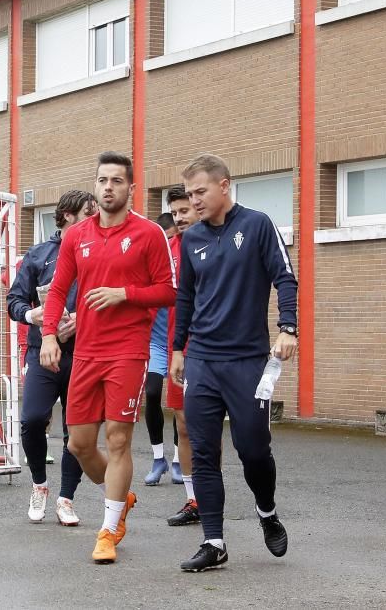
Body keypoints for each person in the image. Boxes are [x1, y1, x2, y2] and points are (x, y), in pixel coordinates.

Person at [39, 151, 175, 565]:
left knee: (117, 439)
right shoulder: (76, 236)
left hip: (128, 352)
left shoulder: (150, 234)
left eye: (117, 180)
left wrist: (126, 294)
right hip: (86, 353)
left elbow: (170, 291)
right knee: (79, 444)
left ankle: (108, 527)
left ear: (131, 188)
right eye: (103, 180)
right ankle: (121, 497)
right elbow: (58, 289)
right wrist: (48, 334)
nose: (109, 187)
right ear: (95, 186)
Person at [171, 154, 298, 572]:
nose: (194, 201)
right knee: (204, 452)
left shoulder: (257, 224)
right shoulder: (191, 239)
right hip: (202, 361)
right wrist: (177, 349)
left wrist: (288, 328)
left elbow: (285, 276)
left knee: (253, 451)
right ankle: (214, 542)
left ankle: (266, 511)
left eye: (200, 192)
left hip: (247, 362)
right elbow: (185, 297)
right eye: (189, 194)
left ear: (225, 186)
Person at [6, 190, 96, 526]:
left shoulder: (96, 252)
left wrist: (83, 320)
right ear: (69, 215)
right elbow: (14, 301)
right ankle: (40, 485)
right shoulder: (39, 254)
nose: (97, 219)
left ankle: (66, 499)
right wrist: (34, 316)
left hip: (84, 353)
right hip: (41, 352)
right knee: (31, 419)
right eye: (91, 213)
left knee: (77, 430)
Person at [163, 184, 202, 527]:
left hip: (212, 349)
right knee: (183, 426)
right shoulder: (169, 248)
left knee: (206, 428)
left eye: (184, 210)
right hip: (179, 348)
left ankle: (210, 492)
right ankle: (195, 500)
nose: (179, 218)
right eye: (174, 213)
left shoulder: (215, 241)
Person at [143, 213, 175, 485]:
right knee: (152, 392)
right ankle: (158, 458)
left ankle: (177, 460)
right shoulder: (150, 262)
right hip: (155, 342)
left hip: (179, 341)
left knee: (180, 403)